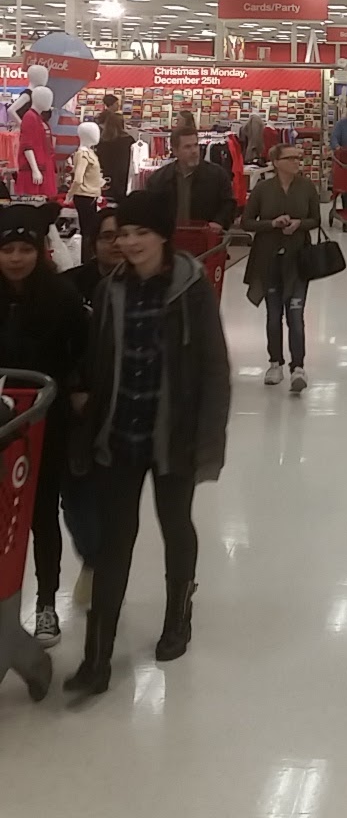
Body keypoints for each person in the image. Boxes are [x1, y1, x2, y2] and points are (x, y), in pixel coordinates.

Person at [64, 190, 231, 695]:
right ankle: (96, 659)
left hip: (173, 436)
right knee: (115, 539)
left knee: (175, 523)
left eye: (141, 232)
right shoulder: (111, 290)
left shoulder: (191, 288)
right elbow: (97, 358)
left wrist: (208, 438)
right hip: (120, 434)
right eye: (123, 234)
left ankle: (178, 616)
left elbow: (213, 368)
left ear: (162, 235)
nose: (130, 243)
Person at [0, 204, 90, 646]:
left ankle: (46, 604)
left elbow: (82, 353)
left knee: (40, 515)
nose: (16, 258)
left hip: (43, 426)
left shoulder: (61, 298)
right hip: (1, 423)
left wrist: (76, 390)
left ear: (39, 250)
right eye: (7, 250)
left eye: (25, 249)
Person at [242, 142, 321, 391]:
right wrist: (272, 224)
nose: (297, 162)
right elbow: (246, 222)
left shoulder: (307, 187)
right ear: (276, 162)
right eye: (291, 158)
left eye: (298, 157)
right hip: (269, 260)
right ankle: (275, 362)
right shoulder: (263, 189)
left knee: (296, 315)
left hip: (297, 260)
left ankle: (298, 367)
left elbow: (316, 219)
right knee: (273, 314)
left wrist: (299, 224)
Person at [148, 125, 237, 230]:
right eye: (187, 147)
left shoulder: (218, 175)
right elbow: (150, 209)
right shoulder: (159, 179)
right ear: (175, 151)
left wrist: (219, 222)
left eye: (195, 145)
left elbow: (229, 204)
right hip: (170, 235)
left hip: (205, 235)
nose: (194, 151)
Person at [66, 202, 123, 308]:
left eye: (123, 235)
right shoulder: (70, 285)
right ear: (93, 243)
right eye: (108, 237)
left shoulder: (144, 287)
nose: (117, 243)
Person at [69, 119, 104, 261]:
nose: (98, 135)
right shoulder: (82, 154)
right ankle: (87, 259)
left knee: (90, 229)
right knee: (88, 230)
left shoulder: (89, 152)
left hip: (90, 195)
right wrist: (69, 194)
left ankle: (89, 257)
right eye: (95, 132)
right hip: (84, 196)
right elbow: (78, 178)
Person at [96, 109, 134, 202]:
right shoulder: (129, 140)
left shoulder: (102, 141)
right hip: (123, 178)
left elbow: (100, 160)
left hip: (106, 177)